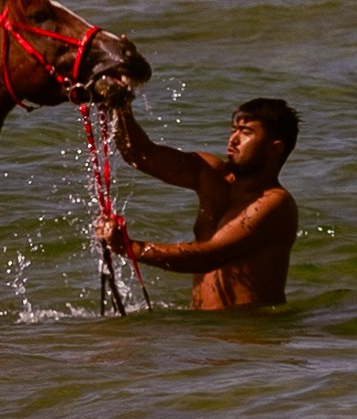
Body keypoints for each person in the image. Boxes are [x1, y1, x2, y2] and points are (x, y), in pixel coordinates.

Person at [98, 96, 300, 310]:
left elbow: (209, 257)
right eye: (234, 130)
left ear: (274, 148)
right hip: (206, 336)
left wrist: (132, 247)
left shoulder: (275, 203)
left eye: (246, 132)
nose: (233, 140)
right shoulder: (212, 175)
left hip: (250, 335)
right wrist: (119, 104)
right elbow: (140, 155)